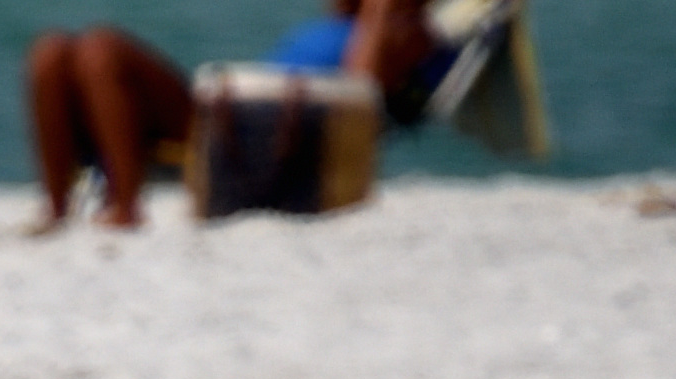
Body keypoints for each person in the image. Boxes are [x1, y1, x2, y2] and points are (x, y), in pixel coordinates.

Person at [26, 0, 451, 230]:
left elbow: (360, 100)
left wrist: (381, 13)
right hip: (233, 111)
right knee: (50, 53)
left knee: (102, 48)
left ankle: (125, 207)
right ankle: (56, 207)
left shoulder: (410, 35)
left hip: (252, 133)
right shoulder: (341, 24)